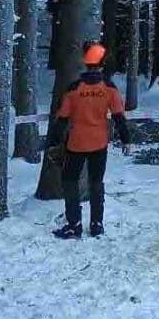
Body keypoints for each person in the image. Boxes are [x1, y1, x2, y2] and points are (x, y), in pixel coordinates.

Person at [46, 43, 128, 239]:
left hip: (76, 144)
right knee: (96, 182)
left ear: (86, 64)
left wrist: (54, 141)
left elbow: (63, 118)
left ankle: (74, 224)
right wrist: (126, 139)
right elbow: (119, 116)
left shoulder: (74, 89)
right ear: (101, 65)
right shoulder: (109, 88)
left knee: (70, 181)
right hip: (99, 144)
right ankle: (96, 224)